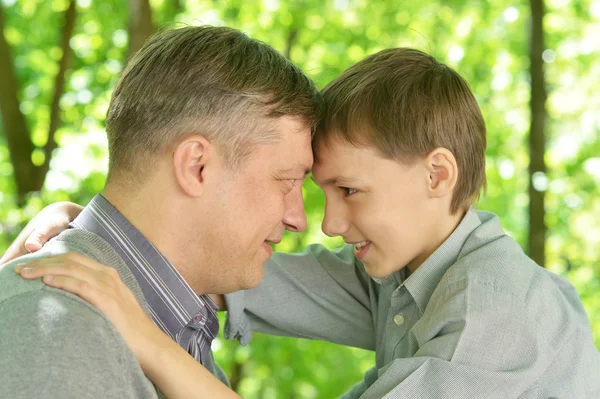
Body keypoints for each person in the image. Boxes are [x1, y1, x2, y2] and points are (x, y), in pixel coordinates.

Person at [5, 48, 600, 398]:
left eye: (348, 190)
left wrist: (152, 345)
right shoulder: (398, 278)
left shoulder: (495, 311)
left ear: (436, 175)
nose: (322, 223)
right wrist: (89, 224)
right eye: (300, 185)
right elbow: (201, 257)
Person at [0, 25, 323, 398]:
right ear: (196, 167)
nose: (297, 218)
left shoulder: (175, 336)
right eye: (286, 181)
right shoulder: (55, 328)